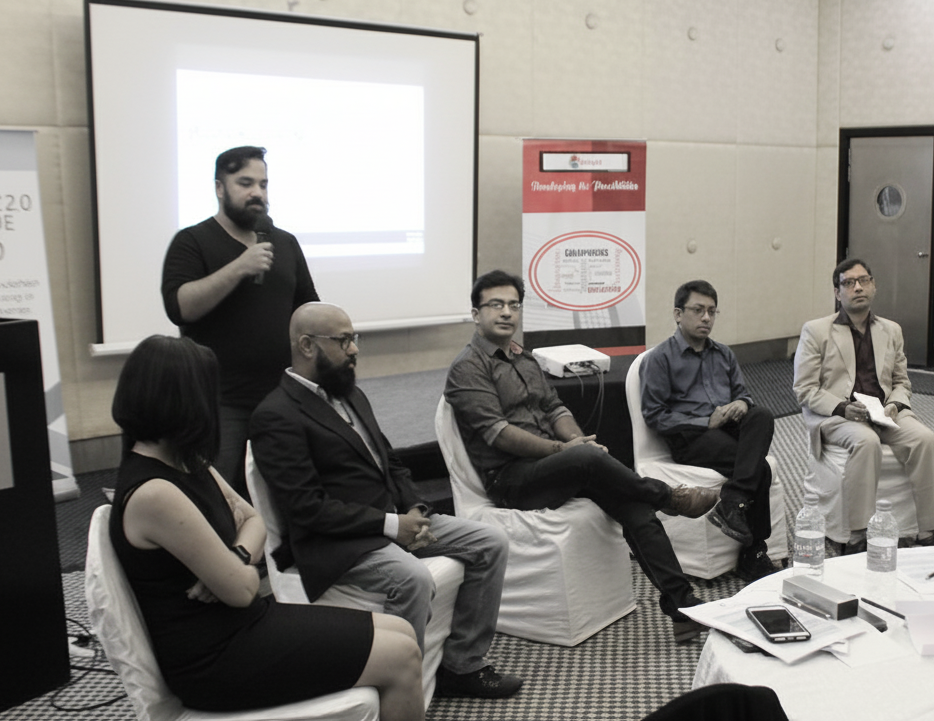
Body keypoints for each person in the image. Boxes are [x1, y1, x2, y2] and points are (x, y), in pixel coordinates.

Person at [109, 335, 423, 721]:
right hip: (215, 658)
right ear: (185, 400)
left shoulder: (187, 462)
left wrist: (235, 556)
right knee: (401, 655)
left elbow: (253, 519)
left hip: (243, 624)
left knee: (400, 631)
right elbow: (243, 590)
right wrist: (236, 568)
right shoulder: (155, 493)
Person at [249, 302, 522, 699]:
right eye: (344, 340)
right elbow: (307, 508)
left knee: (491, 542)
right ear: (307, 346)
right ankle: (400, 691)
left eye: (354, 338)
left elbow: (389, 462)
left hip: (391, 520)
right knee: (413, 578)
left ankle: (461, 666)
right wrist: (392, 526)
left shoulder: (351, 393)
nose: (354, 349)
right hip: (338, 542)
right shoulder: (276, 415)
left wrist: (414, 508)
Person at [444, 270, 718, 644]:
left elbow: (554, 408)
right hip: (510, 480)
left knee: (634, 506)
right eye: (496, 305)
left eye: (513, 305)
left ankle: (682, 607)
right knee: (589, 461)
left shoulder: (525, 360)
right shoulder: (468, 368)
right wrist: (567, 451)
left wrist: (576, 440)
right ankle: (668, 496)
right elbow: (500, 434)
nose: (506, 312)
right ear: (476, 314)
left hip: (556, 468)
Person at [161, 146, 318, 496]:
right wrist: (240, 267)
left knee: (287, 489)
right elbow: (180, 307)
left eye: (263, 184)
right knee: (218, 495)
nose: (257, 193)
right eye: (245, 183)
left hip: (281, 394)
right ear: (220, 188)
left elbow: (307, 307)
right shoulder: (192, 241)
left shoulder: (284, 243)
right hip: (219, 400)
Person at [793, 258, 934, 554]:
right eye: (849, 283)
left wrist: (896, 404)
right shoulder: (816, 331)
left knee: (926, 440)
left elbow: (901, 381)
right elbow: (805, 388)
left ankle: (927, 530)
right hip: (839, 415)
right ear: (837, 293)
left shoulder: (891, 330)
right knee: (867, 442)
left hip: (884, 412)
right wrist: (842, 408)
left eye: (864, 281)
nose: (858, 287)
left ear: (874, 286)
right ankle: (858, 534)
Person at [640, 279, 778, 581]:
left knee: (762, 415)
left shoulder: (723, 354)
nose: (706, 318)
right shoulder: (660, 358)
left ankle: (733, 499)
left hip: (728, 429)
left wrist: (741, 402)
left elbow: (743, 394)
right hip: (691, 438)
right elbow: (655, 416)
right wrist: (706, 422)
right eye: (698, 310)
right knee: (761, 469)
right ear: (678, 314)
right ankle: (754, 553)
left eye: (712, 312)